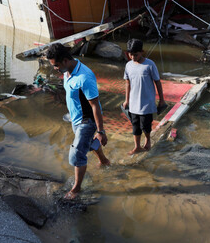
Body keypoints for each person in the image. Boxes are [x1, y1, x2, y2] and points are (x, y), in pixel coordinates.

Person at [46, 43, 110, 199]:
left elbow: (95, 105)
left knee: (77, 154)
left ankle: (76, 189)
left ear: (66, 60)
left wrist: (101, 131)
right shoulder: (68, 72)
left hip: (86, 121)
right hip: (75, 118)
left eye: (56, 65)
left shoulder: (84, 77)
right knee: (87, 144)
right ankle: (104, 161)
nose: (55, 69)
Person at [122, 39, 166, 155]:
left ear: (142, 52)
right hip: (133, 102)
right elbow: (127, 83)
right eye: (130, 54)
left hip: (147, 102)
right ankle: (137, 146)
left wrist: (161, 100)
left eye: (135, 54)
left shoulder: (149, 65)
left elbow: (157, 82)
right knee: (135, 125)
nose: (132, 57)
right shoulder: (128, 65)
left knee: (145, 125)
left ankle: (147, 141)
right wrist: (127, 100)